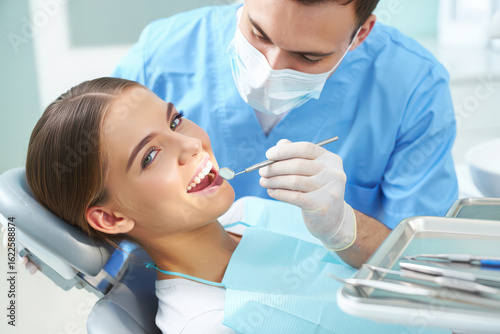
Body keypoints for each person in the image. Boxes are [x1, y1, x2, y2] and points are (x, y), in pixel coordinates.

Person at [25, 77, 450, 334]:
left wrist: (344, 226)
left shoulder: (250, 213)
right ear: (112, 217)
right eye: (150, 156)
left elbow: (409, 280)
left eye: (175, 121)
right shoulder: (210, 323)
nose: (192, 143)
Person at [112, 0, 459, 268]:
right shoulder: (161, 52)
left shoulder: (414, 86)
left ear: (361, 34)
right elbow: (94, 191)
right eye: (259, 35)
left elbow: (424, 265)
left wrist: (345, 226)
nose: (268, 72)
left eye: (308, 57)